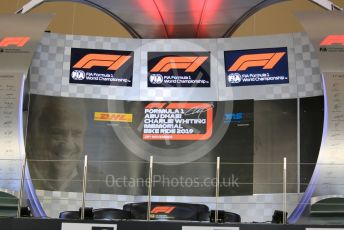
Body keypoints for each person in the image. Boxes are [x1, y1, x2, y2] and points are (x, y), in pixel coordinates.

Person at [26, 95, 87, 191]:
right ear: (30, 136)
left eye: (76, 134)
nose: (68, 146)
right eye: (58, 134)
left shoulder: (97, 180)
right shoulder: (16, 177)